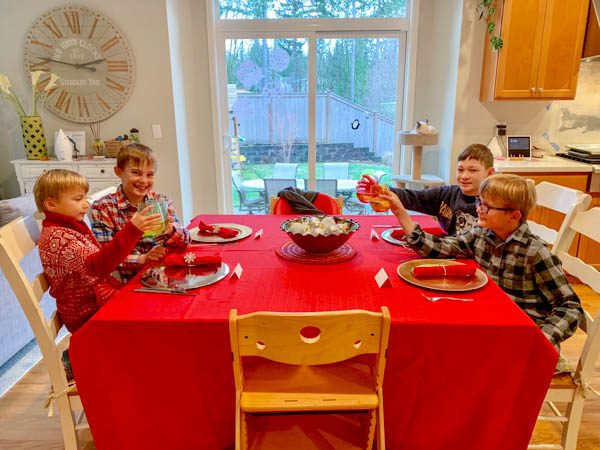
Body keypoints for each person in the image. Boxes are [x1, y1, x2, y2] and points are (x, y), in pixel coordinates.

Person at [381, 173, 582, 350]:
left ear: (514, 215)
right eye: (480, 202)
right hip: (489, 321)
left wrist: (542, 339)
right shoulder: (483, 234)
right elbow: (439, 248)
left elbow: (570, 306)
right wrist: (400, 212)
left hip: (520, 335)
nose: (479, 209)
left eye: (488, 206)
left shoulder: (535, 253)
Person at [34, 169, 163, 333]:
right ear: (51, 204)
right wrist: (132, 230)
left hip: (99, 301)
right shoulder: (58, 238)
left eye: (85, 198)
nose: (86, 205)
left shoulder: (68, 227)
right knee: (156, 318)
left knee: (156, 302)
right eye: (78, 199)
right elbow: (98, 266)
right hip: (89, 316)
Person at [90, 144, 191, 282]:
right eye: (136, 173)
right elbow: (105, 258)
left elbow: (185, 241)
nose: (144, 181)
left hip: (167, 273)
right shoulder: (103, 208)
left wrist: (172, 230)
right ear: (118, 171)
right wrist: (143, 258)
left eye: (150, 175)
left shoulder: (161, 200)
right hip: (134, 281)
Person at [358, 143, 495, 235]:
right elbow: (414, 197)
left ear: (489, 173)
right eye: (460, 170)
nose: (464, 176)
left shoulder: (493, 206)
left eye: (473, 170)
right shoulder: (447, 194)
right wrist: (380, 190)